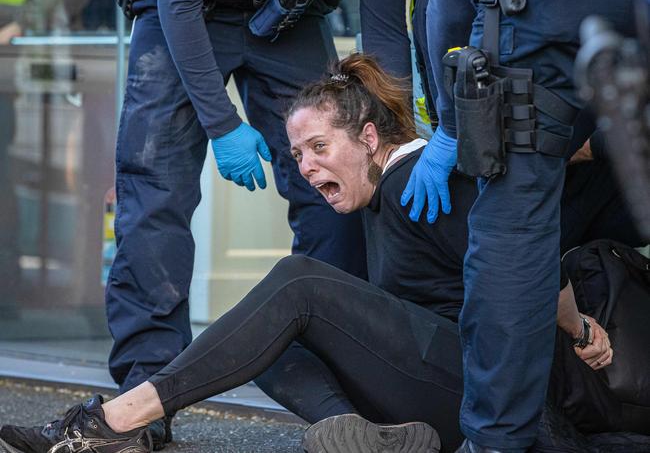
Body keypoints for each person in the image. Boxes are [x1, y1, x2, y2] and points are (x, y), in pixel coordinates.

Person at [3, 54, 648, 453]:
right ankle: (361, 440)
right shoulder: (379, 197)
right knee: (259, 340)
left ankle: (118, 420)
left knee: (297, 283)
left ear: (369, 137)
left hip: (491, 390)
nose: (307, 168)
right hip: (444, 386)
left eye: (319, 148)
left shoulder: (417, 181)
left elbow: (525, 260)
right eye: (297, 156)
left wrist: (581, 326)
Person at [106, 0, 367, 446]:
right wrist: (223, 125)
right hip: (181, 13)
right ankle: (143, 393)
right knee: (153, 196)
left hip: (291, 9)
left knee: (338, 183)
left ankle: (338, 390)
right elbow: (179, 0)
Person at [399, 0, 639, 451]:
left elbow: (448, 1)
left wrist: (452, 120)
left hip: (539, 4)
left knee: (513, 225)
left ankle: (496, 441)